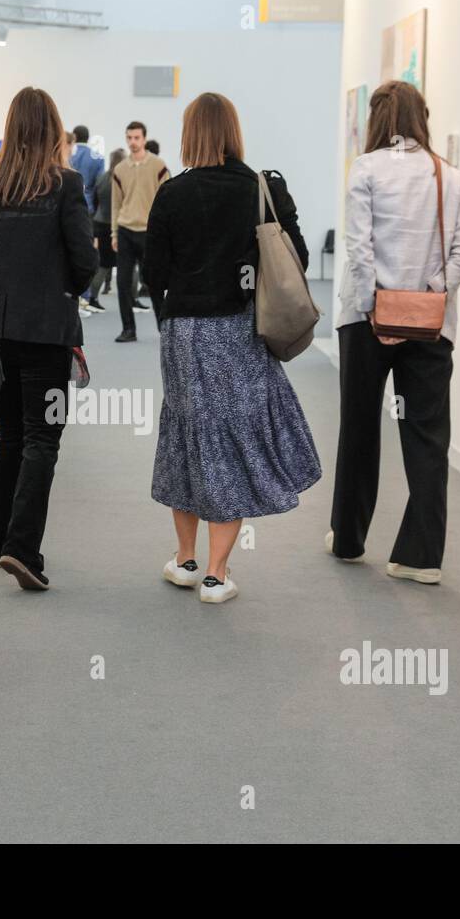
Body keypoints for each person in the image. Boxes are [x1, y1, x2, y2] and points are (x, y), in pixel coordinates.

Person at [144, 92, 321, 603]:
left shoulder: (171, 193)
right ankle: (218, 575)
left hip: (184, 333)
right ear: (233, 132)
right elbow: (297, 258)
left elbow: (154, 273)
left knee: (186, 435)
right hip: (240, 330)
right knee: (234, 439)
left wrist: (175, 311)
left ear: (189, 134)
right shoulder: (260, 188)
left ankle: (185, 559)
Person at [327, 80, 460, 585]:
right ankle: (421, 557)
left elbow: (359, 247)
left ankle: (348, 540)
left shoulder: (366, 170)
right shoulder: (452, 178)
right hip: (432, 327)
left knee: (360, 428)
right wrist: (427, 296)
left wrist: (377, 309)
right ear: (421, 118)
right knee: (428, 437)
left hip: (366, 323)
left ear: (377, 120)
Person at [0, 88, 97, 590]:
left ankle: (1, 542)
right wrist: (67, 287)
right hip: (48, 334)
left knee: (8, 434)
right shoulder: (66, 185)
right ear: (53, 130)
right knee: (42, 439)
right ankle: (23, 548)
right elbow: (85, 262)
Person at [111, 120, 169, 342]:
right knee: (123, 283)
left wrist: (165, 234)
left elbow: (167, 200)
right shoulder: (119, 169)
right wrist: (114, 233)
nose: (133, 142)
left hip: (149, 232)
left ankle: (163, 329)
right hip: (125, 229)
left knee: (154, 283)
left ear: (144, 139)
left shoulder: (158, 166)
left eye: (136, 138)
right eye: (129, 138)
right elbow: (116, 205)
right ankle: (128, 329)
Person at [87, 148, 124, 312]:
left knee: (102, 264)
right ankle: (132, 299)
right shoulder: (122, 178)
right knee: (127, 264)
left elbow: (94, 200)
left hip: (99, 222)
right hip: (117, 224)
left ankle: (93, 297)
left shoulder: (102, 178)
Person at [69, 124, 105, 213]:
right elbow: (99, 184)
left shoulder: (65, 156)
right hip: (88, 205)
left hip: (67, 204)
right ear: (88, 138)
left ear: (74, 137)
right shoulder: (98, 158)